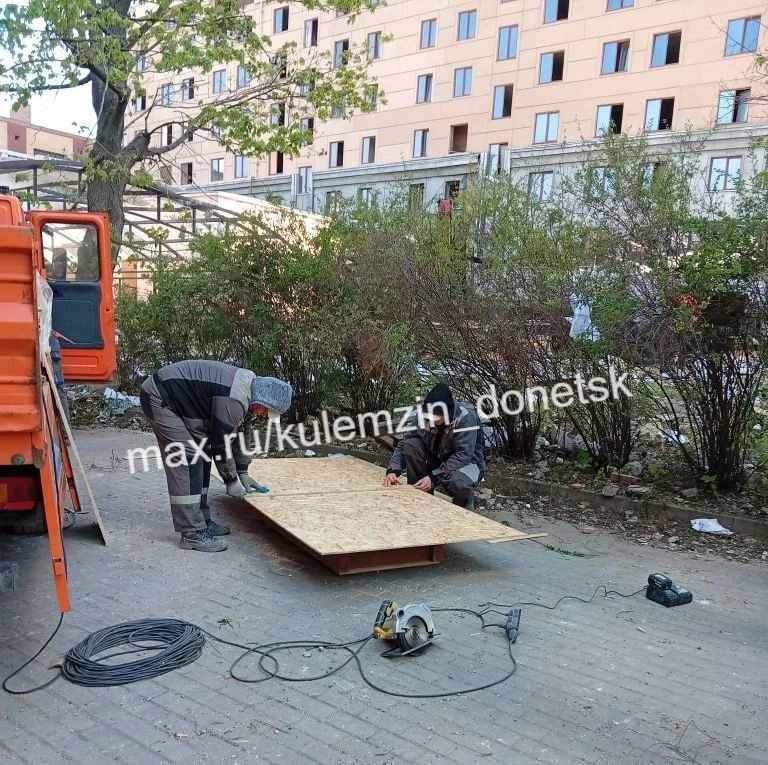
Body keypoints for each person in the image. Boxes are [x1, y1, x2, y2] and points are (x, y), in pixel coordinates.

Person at [139, 360, 292, 552]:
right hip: (160, 397)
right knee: (188, 458)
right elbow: (221, 443)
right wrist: (231, 480)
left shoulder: (249, 393)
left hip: (179, 401)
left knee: (203, 454)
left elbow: (240, 433)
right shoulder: (235, 399)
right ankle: (191, 533)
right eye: (267, 411)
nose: (265, 416)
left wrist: (243, 470)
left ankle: (201, 521)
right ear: (264, 399)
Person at [383, 383, 485, 510]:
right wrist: (393, 470)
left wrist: (433, 477)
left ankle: (463, 508)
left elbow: (463, 455)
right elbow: (404, 442)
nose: (433, 421)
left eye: (437, 417)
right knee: (411, 445)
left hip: (467, 464)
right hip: (437, 458)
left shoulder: (466, 417)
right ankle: (420, 496)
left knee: (458, 483)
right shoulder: (422, 416)